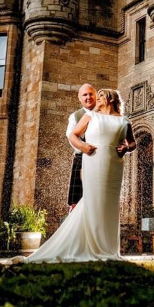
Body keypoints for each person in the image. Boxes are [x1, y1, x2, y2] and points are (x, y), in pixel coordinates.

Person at [27, 88, 136, 263]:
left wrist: (126, 148)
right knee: (93, 201)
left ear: (111, 98)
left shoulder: (124, 120)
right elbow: (73, 135)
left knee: (110, 204)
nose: (96, 98)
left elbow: (132, 143)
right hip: (94, 160)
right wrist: (84, 147)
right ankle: (91, 246)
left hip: (115, 165)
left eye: (100, 95)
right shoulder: (91, 116)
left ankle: (108, 248)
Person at [66, 83, 97, 211]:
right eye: (85, 95)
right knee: (79, 201)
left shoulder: (105, 113)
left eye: (91, 94)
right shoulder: (75, 116)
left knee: (98, 197)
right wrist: (83, 147)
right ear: (80, 98)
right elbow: (70, 136)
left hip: (101, 159)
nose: (88, 97)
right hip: (82, 159)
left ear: (96, 96)